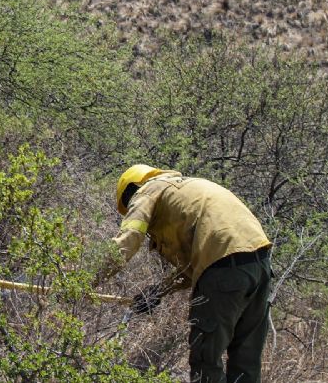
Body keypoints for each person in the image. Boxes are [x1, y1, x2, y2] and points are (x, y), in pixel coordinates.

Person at [110, 164, 273, 383]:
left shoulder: (147, 190)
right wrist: (158, 292)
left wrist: (87, 279)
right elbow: (190, 267)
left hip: (222, 268)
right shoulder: (186, 190)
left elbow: (128, 240)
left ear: (131, 189)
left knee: (206, 360)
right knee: (246, 363)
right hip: (260, 265)